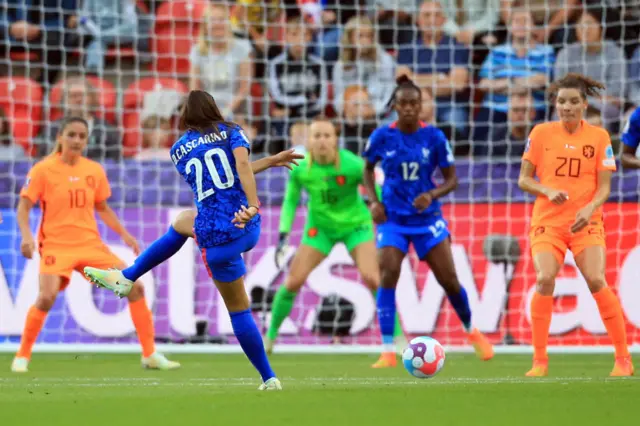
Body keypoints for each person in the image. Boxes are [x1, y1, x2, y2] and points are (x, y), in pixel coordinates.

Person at [86, 91, 305, 390]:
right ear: (214, 108)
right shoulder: (232, 131)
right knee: (239, 304)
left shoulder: (178, 149)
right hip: (244, 226)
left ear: (185, 117)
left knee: (183, 225)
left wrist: (270, 161)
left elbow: (220, 175)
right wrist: (253, 204)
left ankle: (127, 276)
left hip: (211, 237)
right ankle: (269, 377)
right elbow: (239, 169)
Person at [12, 116, 179, 373]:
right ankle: (22, 356)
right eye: (72, 134)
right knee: (46, 297)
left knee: (134, 287)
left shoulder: (93, 170)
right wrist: (26, 236)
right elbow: (23, 207)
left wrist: (125, 235)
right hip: (56, 246)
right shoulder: (43, 170)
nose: (77, 140)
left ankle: (150, 355)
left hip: (90, 245)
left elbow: (102, 208)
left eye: (82, 136)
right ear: (60, 136)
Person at [362, 75, 494, 368]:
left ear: (421, 106)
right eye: (403, 103)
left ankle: (472, 331)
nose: (409, 108)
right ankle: (387, 350)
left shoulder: (434, 137)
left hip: (427, 218)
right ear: (395, 106)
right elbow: (367, 169)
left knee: (448, 279)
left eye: (414, 103)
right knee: (388, 272)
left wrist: (432, 194)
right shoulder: (382, 136)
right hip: (393, 218)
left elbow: (452, 179)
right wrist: (374, 201)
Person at [518, 73, 633, 377]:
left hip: (586, 221)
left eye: (572, 101)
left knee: (596, 279)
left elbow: (605, 188)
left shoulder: (599, 138)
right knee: (544, 278)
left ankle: (623, 359)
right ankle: (540, 362)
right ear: (555, 104)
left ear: (584, 104)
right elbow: (524, 179)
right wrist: (547, 190)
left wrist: (590, 207)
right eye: (561, 101)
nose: (566, 107)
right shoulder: (541, 133)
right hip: (548, 222)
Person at [264, 118, 403, 357]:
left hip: (355, 227)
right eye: (316, 136)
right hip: (321, 230)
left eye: (327, 136)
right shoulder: (300, 169)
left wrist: (386, 211)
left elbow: (376, 190)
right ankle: (270, 338)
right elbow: (290, 201)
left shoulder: (352, 164)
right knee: (293, 282)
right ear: (308, 141)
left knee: (373, 278)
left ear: (335, 140)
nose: (322, 141)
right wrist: (283, 233)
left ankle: (397, 339)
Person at [189, 2, 253, 118]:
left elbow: (244, 89)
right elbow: (195, 89)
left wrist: (226, 111)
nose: (218, 24)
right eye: (213, 20)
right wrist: (208, 112)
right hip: (207, 110)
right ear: (205, 26)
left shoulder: (242, 48)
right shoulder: (197, 51)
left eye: (221, 19)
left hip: (236, 111)